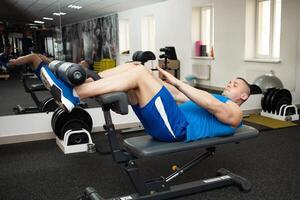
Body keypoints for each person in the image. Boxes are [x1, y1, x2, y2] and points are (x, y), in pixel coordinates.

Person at [8, 53, 251, 142]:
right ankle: (87, 79)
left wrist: (176, 81)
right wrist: (160, 80)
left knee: (139, 73)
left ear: (243, 96)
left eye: (236, 84)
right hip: (168, 121)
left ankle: (75, 93)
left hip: (177, 129)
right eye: (231, 80)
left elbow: (205, 102)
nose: (230, 83)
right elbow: (176, 95)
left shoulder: (234, 111)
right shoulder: (213, 99)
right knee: (135, 68)